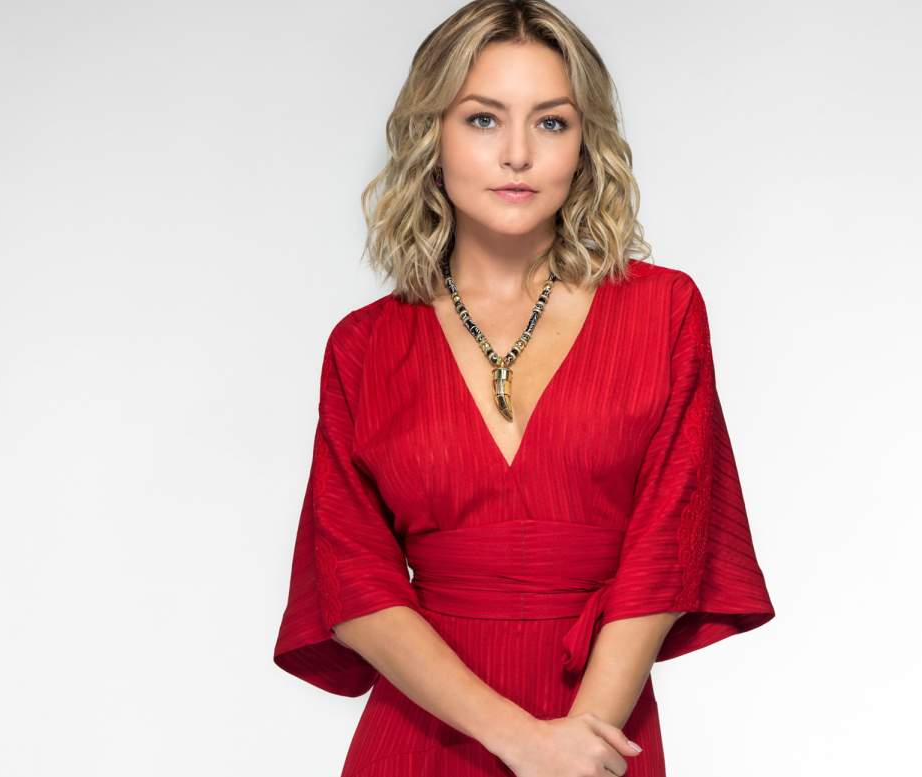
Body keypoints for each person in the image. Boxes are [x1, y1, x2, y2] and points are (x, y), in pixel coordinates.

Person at [273, 2, 776, 774]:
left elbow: (668, 546)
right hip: (422, 737)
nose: (517, 154)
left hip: (597, 732)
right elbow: (351, 582)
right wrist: (522, 740)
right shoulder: (365, 347)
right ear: (431, 135)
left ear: (585, 143)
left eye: (551, 123)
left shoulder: (663, 312)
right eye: (482, 119)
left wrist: (575, 746)